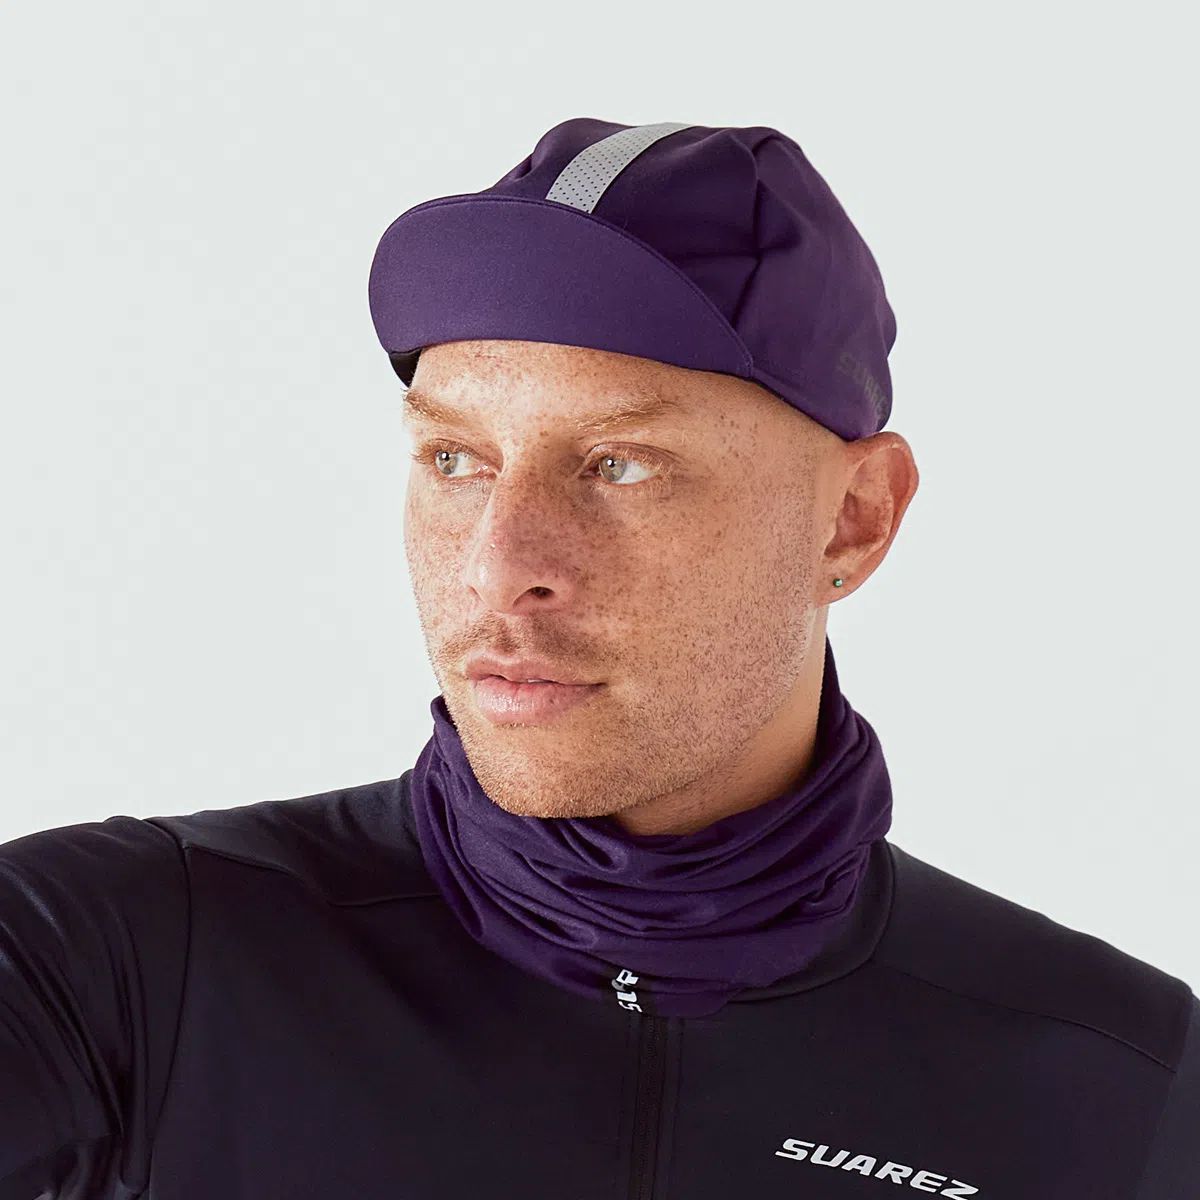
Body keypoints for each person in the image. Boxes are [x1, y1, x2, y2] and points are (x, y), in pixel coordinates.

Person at [2, 118, 1195, 1198]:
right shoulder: (105, 963)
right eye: (456, 461)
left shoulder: (1130, 1089)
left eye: (618, 464)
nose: (498, 567)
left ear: (853, 520)